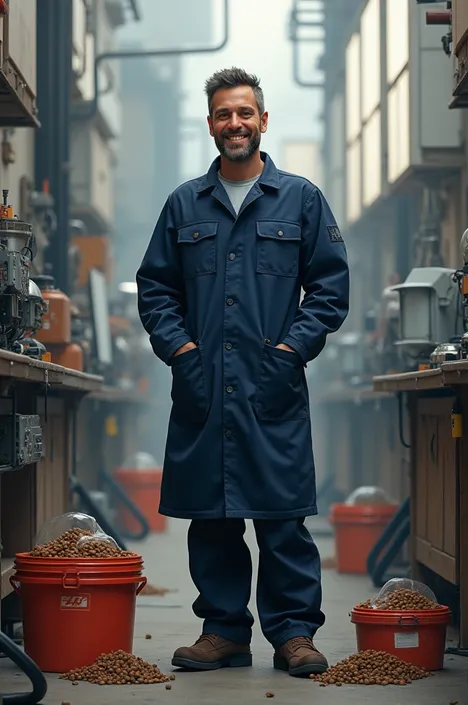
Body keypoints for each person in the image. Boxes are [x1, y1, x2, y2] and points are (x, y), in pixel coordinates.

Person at [136, 67, 350, 678]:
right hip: (204, 387)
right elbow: (155, 290)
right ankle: (224, 631)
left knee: (282, 520)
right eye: (223, 115)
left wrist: (290, 352)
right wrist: (180, 353)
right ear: (210, 124)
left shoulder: (301, 199)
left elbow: (331, 289)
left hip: (270, 387)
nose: (235, 124)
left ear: (262, 119)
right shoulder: (184, 203)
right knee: (213, 518)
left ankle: (294, 635)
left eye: (244, 113)